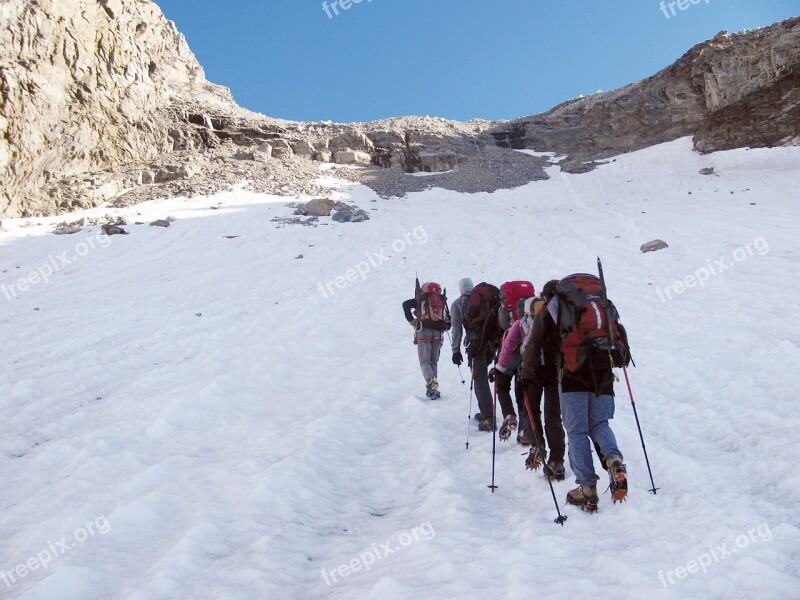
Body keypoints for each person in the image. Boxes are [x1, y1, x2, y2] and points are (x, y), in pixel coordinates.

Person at [537, 278, 628, 511]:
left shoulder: (557, 306)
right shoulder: (602, 303)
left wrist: (531, 375)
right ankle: (614, 459)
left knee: (577, 430)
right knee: (599, 423)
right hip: (604, 372)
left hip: (572, 373)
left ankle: (587, 488)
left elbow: (539, 342)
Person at [520, 281, 566, 479]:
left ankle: (537, 446)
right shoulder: (567, 314)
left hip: (536, 372)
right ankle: (557, 461)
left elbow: (532, 346)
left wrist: (525, 375)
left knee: (532, 410)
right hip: (557, 371)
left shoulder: (542, 314)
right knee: (553, 417)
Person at [450, 278, 494, 430]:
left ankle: (489, 418)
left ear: (461, 289)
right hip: (491, 345)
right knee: (480, 377)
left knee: (479, 379)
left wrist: (455, 350)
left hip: (476, 346)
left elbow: (456, 329)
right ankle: (485, 411)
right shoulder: (485, 300)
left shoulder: (458, 304)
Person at [402, 281, 449, 399]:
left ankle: (431, 381)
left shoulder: (421, 299)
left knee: (424, 361)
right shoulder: (440, 299)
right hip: (438, 332)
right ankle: (433, 389)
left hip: (424, 330)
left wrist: (412, 320)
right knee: (433, 361)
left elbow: (405, 305)